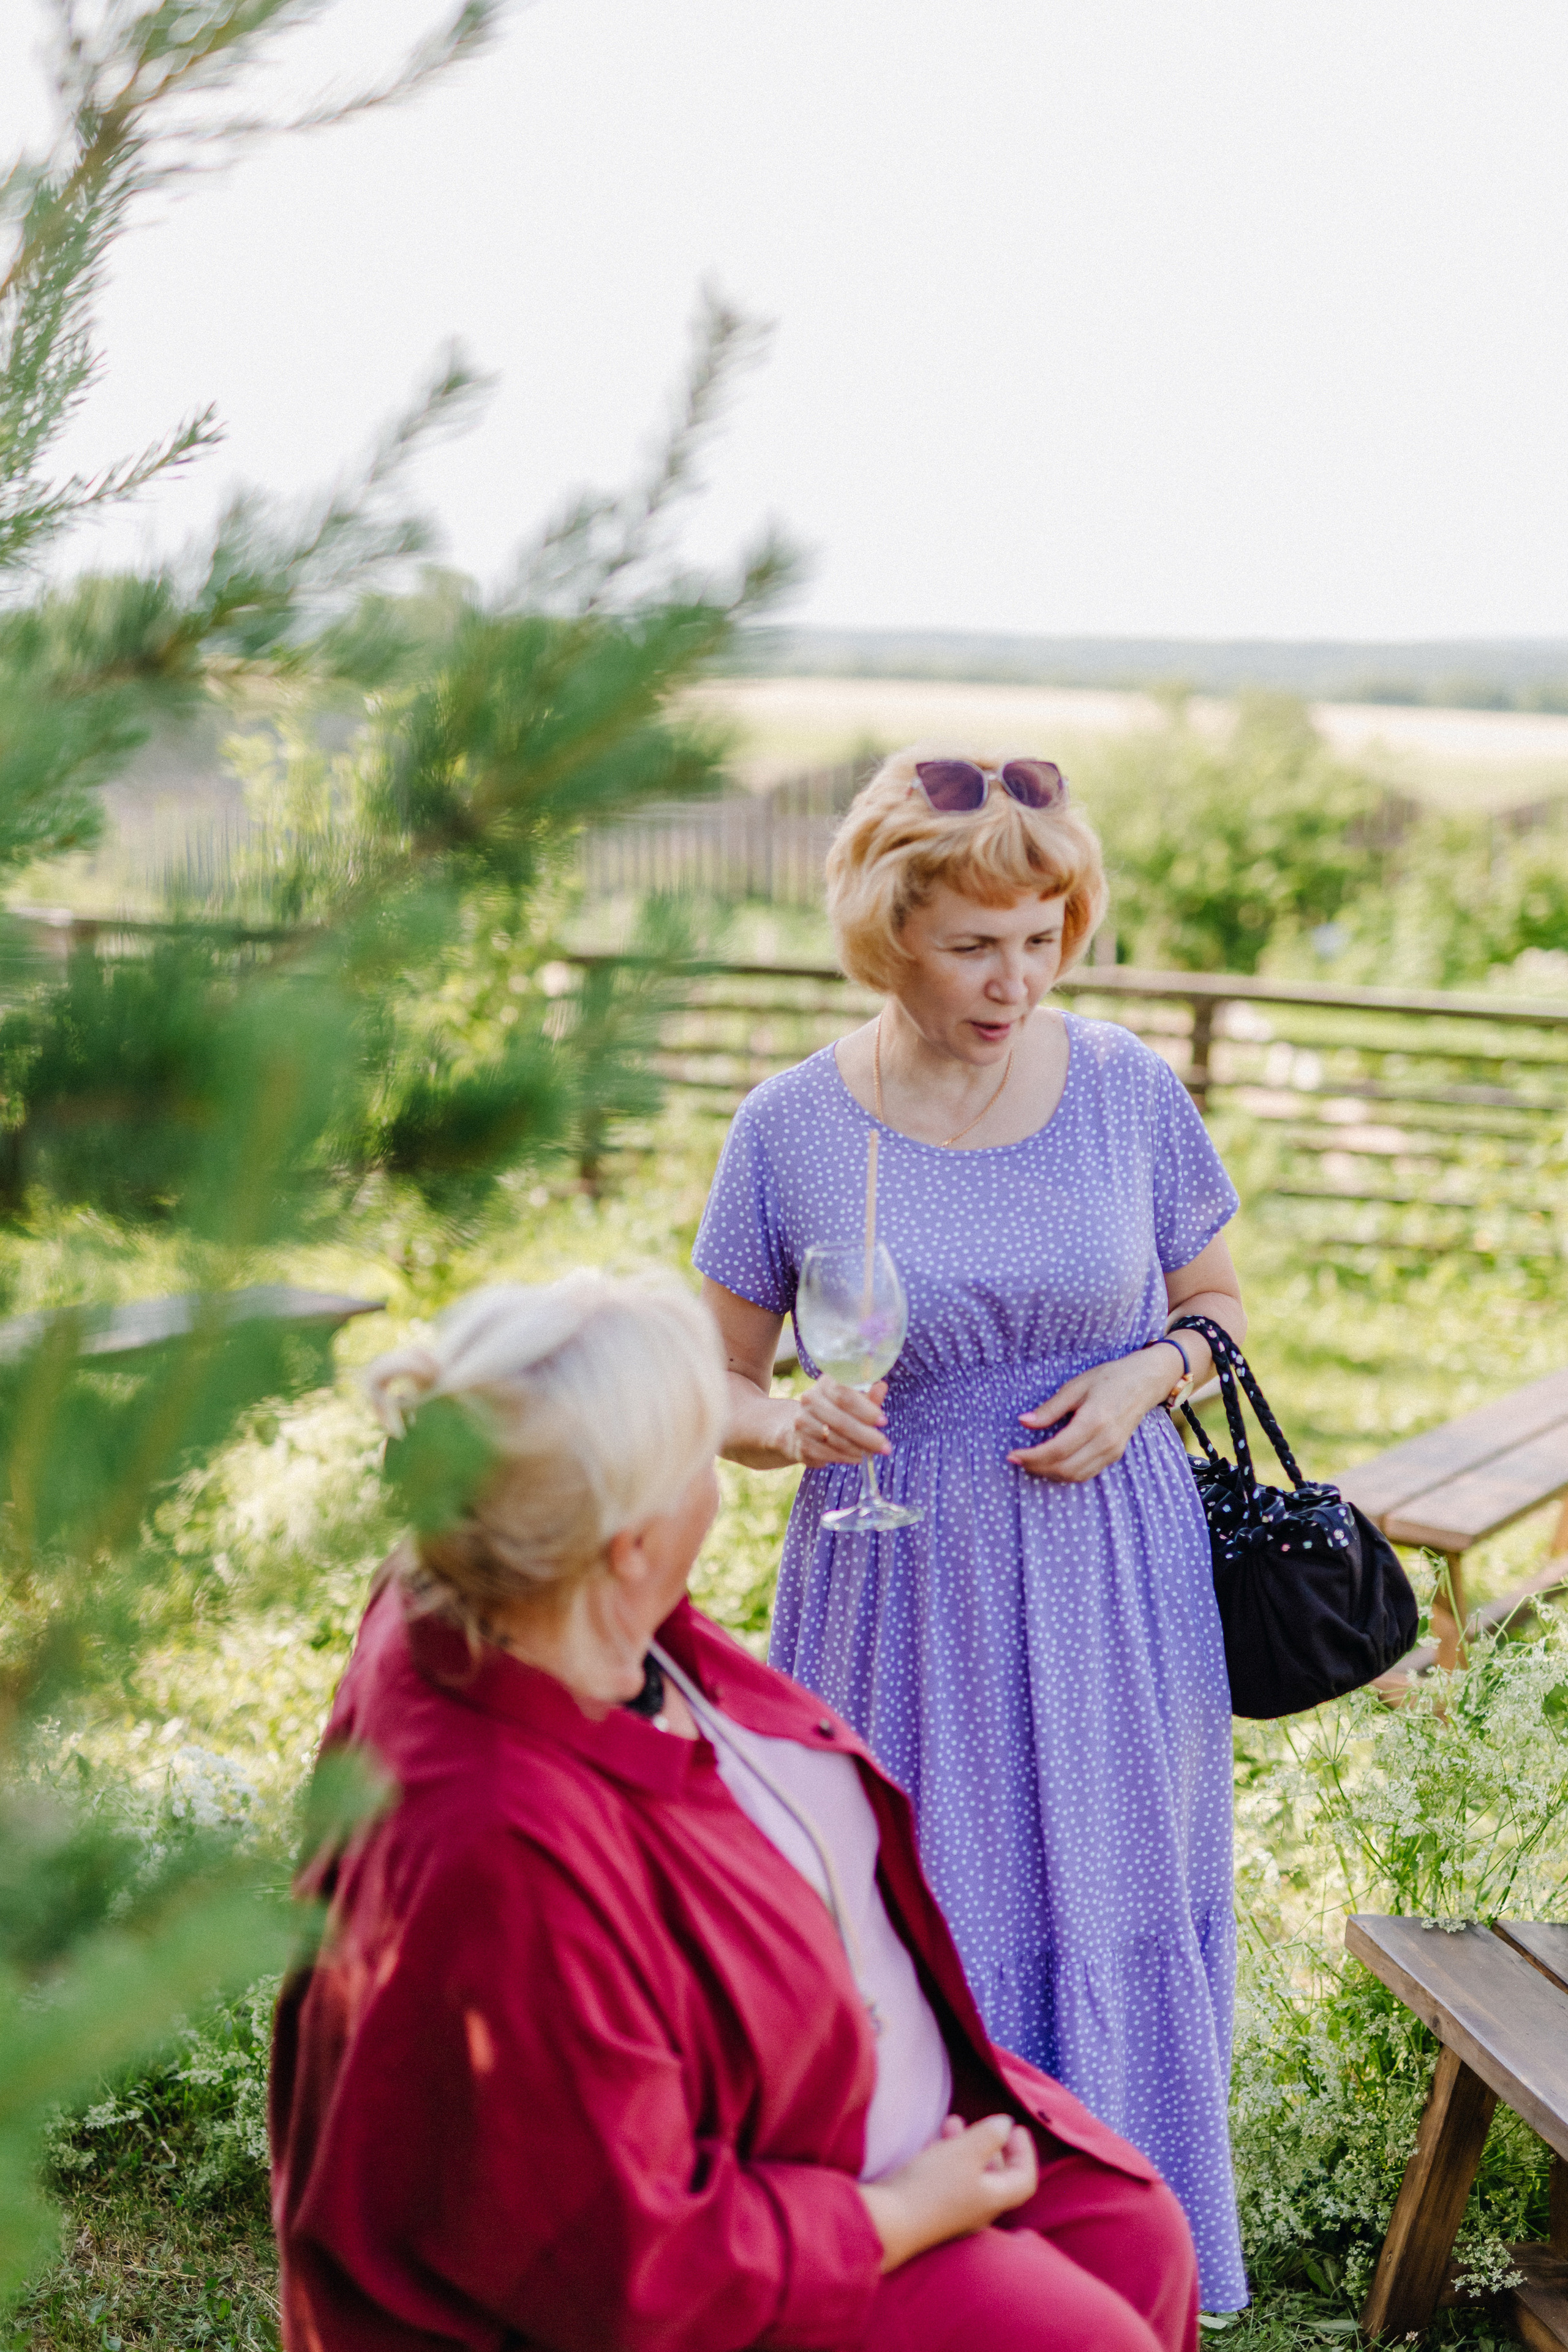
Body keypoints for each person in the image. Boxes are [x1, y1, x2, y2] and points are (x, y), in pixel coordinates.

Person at [270, 1273, 1199, 2352]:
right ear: (631, 1542)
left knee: (1135, 2238)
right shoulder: (501, 1848)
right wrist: (898, 2213)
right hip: (745, 2245)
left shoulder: (524, 1577)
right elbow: (623, 2263)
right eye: (697, 1461)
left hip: (812, 2120)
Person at [693, 747, 1250, 2312]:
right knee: (917, 1902)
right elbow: (717, 1388)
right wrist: (786, 1422)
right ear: (888, 934)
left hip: (1111, 1576)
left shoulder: (1130, 1086)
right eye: (971, 946)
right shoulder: (791, 1127)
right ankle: (917, 2271)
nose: (1015, 979)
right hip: (890, 1580)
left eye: (1043, 935)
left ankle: (1128, 2253)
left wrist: (1147, 1376)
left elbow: (1215, 1313)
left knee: (1117, 1896)